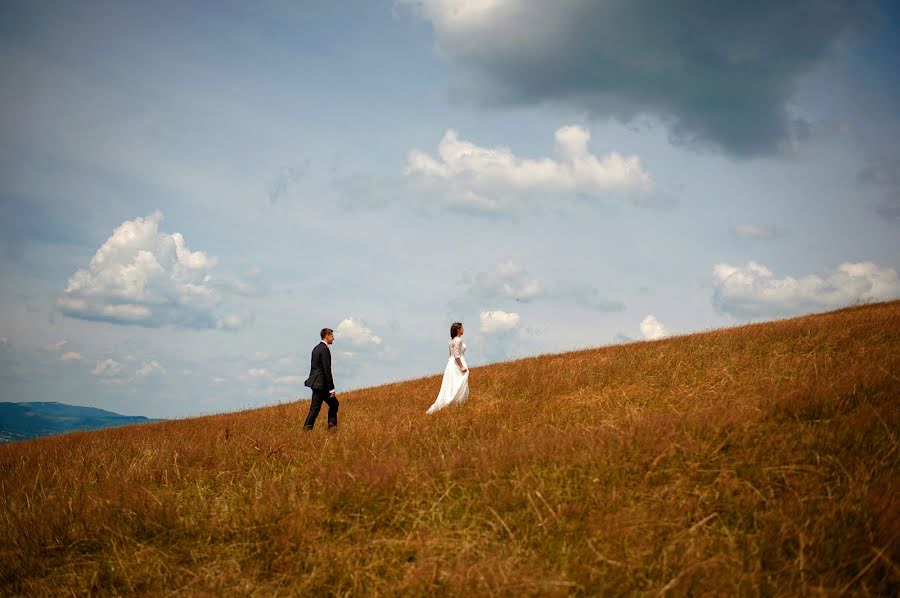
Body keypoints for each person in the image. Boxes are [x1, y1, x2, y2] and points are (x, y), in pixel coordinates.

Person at [426, 322, 470, 414]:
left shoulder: (451, 341)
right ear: (458, 329)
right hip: (457, 364)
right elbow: (457, 355)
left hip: (451, 364)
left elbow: (451, 356)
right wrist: (461, 366)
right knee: (458, 384)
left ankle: (453, 403)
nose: (463, 330)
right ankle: (455, 403)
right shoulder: (458, 340)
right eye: (462, 328)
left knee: (451, 385)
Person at [303, 327, 338, 430]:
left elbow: (314, 368)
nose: (333, 338)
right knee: (317, 408)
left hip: (316, 383)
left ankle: (330, 428)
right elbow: (327, 370)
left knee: (331, 404)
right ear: (327, 336)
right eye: (332, 336)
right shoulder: (324, 349)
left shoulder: (316, 348)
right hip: (321, 385)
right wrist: (331, 389)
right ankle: (331, 429)